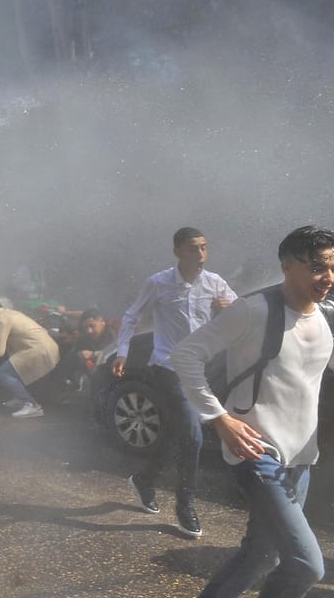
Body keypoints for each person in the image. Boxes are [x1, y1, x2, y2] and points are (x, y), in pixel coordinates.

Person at [171, 225, 334, 598]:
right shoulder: (253, 310)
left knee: (261, 556)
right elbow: (186, 355)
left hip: (301, 457)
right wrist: (219, 418)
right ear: (286, 267)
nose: (327, 277)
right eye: (315, 267)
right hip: (257, 452)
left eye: (333, 267)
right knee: (307, 564)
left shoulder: (333, 316)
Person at [112, 226, 237, 538]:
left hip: (199, 370)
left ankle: (144, 480)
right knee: (192, 437)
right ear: (178, 252)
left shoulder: (215, 283)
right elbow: (131, 316)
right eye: (194, 248)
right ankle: (185, 506)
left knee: (174, 435)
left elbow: (242, 314)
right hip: (168, 367)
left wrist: (229, 309)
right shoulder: (159, 283)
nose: (201, 255)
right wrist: (122, 352)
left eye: (205, 248)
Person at [0, 302, 60, 418]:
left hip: (38, 350)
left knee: (3, 373)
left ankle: (32, 405)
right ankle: (20, 398)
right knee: (14, 370)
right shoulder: (8, 313)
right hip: (46, 347)